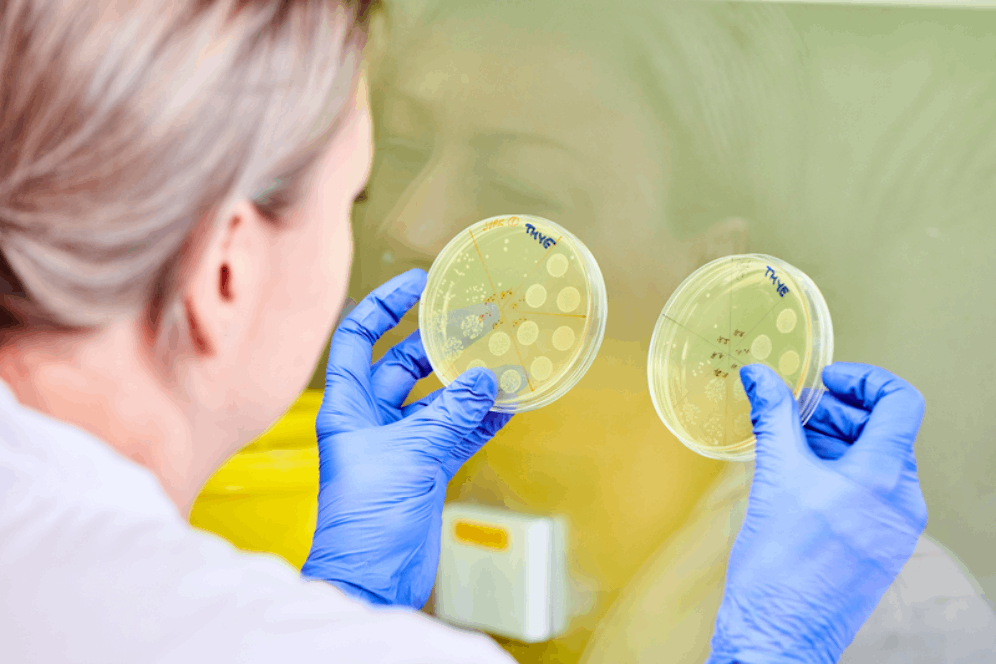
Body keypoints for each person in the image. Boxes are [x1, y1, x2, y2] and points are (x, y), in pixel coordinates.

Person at [0, 0, 933, 662]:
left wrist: (347, 603)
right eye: (382, 169)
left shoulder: (912, 621)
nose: (407, 225)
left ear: (712, 270)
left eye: (526, 193)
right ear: (227, 267)